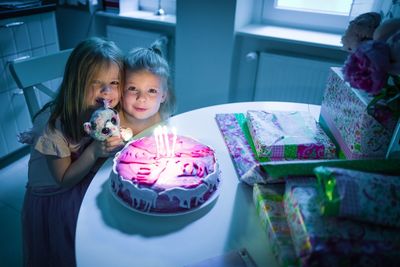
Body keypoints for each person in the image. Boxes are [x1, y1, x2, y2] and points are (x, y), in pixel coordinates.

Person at [20, 37, 124, 267]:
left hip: (81, 178)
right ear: (76, 84)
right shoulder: (53, 125)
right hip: (53, 199)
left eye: (115, 83)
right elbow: (63, 180)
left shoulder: (101, 112)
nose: (107, 92)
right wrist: (95, 151)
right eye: (96, 83)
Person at [119, 39, 176, 135]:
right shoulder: (112, 122)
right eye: (133, 88)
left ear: (163, 96)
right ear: (121, 90)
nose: (141, 98)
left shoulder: (163, 121)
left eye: (152, 91)